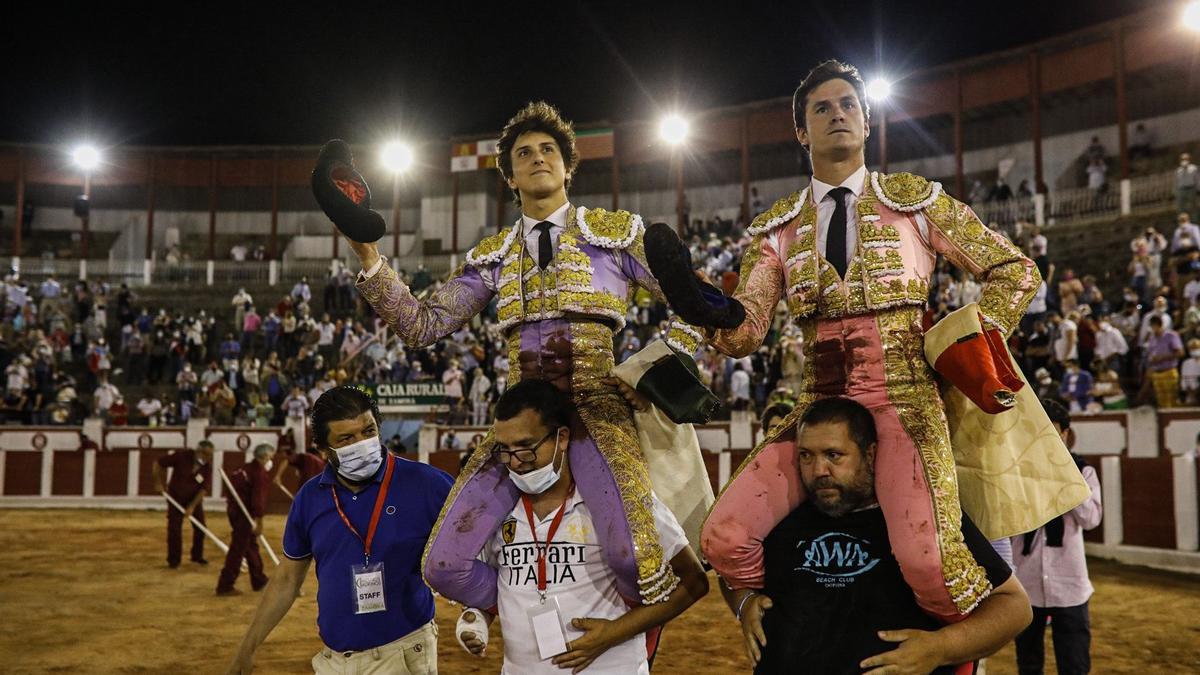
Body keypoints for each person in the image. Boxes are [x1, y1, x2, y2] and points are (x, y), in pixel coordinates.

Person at [653, 59, 1041, 623]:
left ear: (867, 123)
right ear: (801, 133)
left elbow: (1016, 270)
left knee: (930, 564)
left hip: (904, 401)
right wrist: (698, 301)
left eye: (848, 105)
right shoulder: (777, 228)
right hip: (819, 410)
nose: (838, 114)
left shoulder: (916, 201)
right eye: (821, 108)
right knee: (724, 538)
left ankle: (953, 656)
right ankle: (801, 623)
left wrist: (970, 339)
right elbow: (745, 332)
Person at [325, 100, 710, 610]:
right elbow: (421, 326)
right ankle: (537, 618)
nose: (537, 158)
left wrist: (650, 368)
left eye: (548, 149)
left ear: (568, 166)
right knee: (443, 562)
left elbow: (695, 302)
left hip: (598, 410)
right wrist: (367, 255)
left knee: (629, 555)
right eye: (524, 153)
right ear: (509, 176)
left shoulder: (615, 237)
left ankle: (620, 642)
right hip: (519, 421)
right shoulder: (494, 256)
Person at [733, 398, 1031, 674]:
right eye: (806, 456)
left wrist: (941, 648)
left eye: (834, 455)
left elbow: (1015, 606)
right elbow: (732, 574)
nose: (818, 470)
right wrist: (744, 602)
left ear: (870, 453)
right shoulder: (777, 518)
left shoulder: (920, 518)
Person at [456, 379, 708, 673]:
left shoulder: (619, 501)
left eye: (526, 447)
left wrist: (614, 632)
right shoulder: (497, 511)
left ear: (562, 438)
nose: (515, 462)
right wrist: (475, 619)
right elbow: (497, 587)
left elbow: (694, 582)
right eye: (505, 450)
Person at [226, 386, 452, 675]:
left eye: (368, 431)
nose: (362, 443)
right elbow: (285, 581)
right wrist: (247, 648)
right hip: (333, 661)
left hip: (403, 653)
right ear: (323, 450)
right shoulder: (310, 498)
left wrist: (478, 617)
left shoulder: (427, 484)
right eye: (346, 438)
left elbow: (476, 546)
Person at [1011, 399, 1102, 675]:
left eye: (1051, 434)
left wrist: (1063, 476)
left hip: (1069, 583)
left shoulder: (1082, 471)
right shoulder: (1016, 472)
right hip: (1026, 582)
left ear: (1064, 434)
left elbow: (1090, 519)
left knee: (1074, 664)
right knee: (1028, 663)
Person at [216, 443, 274, 596]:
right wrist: (259, 521)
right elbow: (258, 500)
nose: (271, 461)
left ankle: (259, 580)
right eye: (270, 457)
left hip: (235, 511)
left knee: (250, 546)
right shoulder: (258, 473)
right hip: (244, 515)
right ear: (265, 457)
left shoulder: (244, 469)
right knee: (238, 548)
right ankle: (225, 585)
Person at [152, 440, 214, 568]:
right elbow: (158, 463)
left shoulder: (207, 467)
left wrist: (192, 506)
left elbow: (204, 489)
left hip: (194, 499)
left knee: (201, 528)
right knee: (174, 529)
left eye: (210, 455)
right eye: (207, 455)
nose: (209, 458)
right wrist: (158, 482)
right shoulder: (182, 456)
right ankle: (174, 561)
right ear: (199, 452)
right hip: (176, 498)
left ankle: (197, 556)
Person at [1142, 315, 1184, 408]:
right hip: (1156, 372)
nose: (1152, 329)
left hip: (1169, 371)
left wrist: (1162, 357)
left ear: (1158, 325)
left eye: (1153, 326)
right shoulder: (1152, 338)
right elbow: (1150, 353)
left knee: (1172, 399)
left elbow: (1180, 353)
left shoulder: (1171, 336)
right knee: (1161, 401)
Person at [1176, 152, 1198, 222]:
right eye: (1182, 159)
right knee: (1181, 208)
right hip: (1181, 190)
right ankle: (1182, 222)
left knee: (1193, 208)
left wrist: (1198, 189)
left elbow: (1197, 179)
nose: (1184, 160)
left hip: (1191, 189)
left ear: (1189, 159)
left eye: (1185, 158)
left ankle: (1195, 222)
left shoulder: (1194, 168)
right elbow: (1177, 181)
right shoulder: (1178, 170)